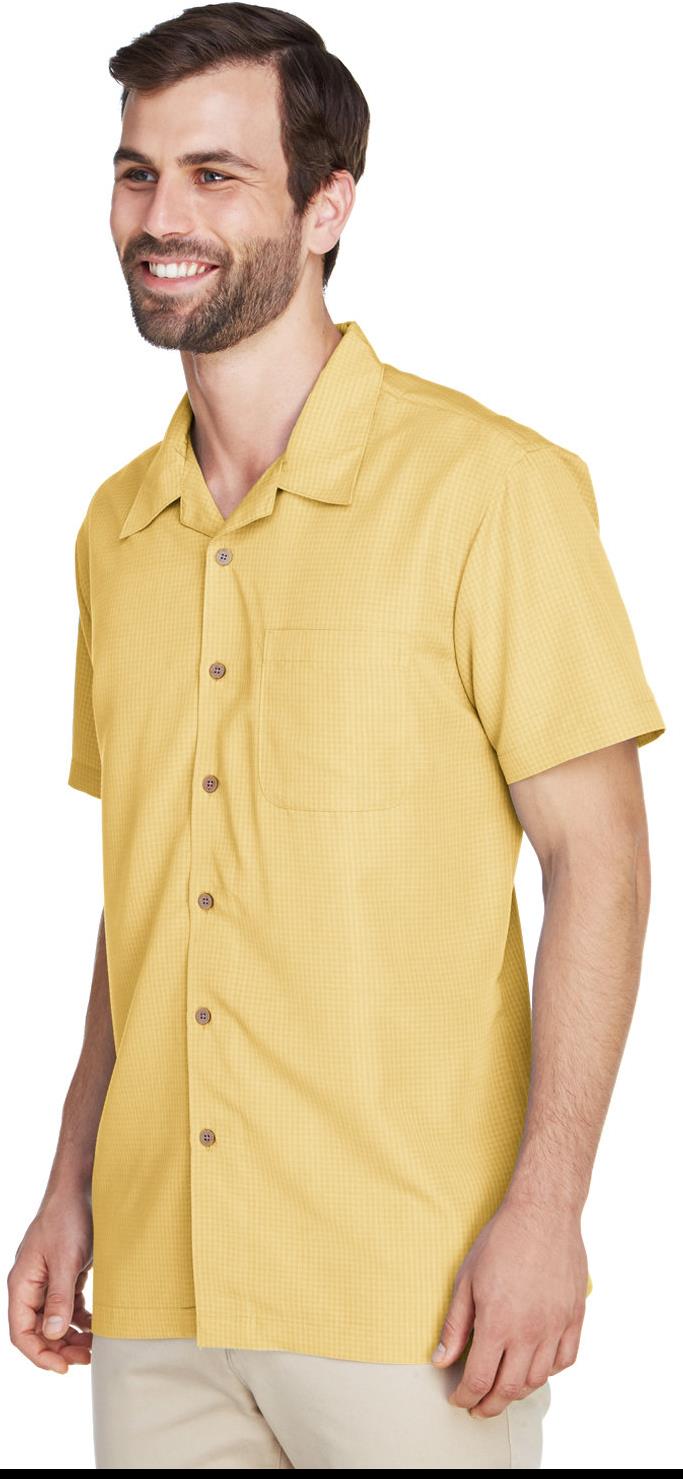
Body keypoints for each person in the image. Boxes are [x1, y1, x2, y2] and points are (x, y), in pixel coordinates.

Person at [7, 2, 666, 1469]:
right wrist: (71, 1180)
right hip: (160, 1284)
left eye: (215, 175)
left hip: (412, 1292)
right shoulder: (116, 529)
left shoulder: (490, 491)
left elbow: (602, 865)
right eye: (137, 173)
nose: (162, 218)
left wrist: (550, 1209)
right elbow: (148, 889)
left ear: (327, 207)